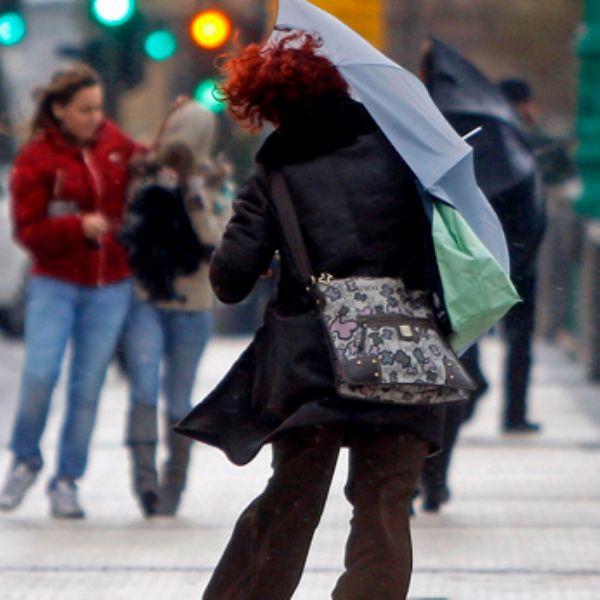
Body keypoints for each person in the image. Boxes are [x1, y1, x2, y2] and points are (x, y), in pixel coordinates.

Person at [194, 32, 452, 600]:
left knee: (292, 500)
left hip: (313, 360)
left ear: (269, 106)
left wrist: (277, 254)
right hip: (402, 343)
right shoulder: (406, 151)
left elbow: (230, 280)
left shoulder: (276, 174)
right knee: (384, 505)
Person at [0, 65, 139, 518]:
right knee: (40, 374)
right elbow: (28, 229)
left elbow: (149, 167)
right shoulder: (36, 158)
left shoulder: (116, 146)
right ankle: (24, 458)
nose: (95, 117)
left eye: (99, 108)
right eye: (84, 110)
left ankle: (67, 480)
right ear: (59, 111)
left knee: (87, 386)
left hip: (110, 284)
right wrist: (76, 226)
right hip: (55, 282)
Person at [119, 99, 232, 517]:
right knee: (144, 386)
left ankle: (174, 486)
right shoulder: (145, 174)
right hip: (147, 297)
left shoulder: (216, 184)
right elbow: (128, 226)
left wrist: (192, 191)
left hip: (194, 303)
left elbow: (218, 241)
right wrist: (150, 178)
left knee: (179, 397)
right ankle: (145, 482)